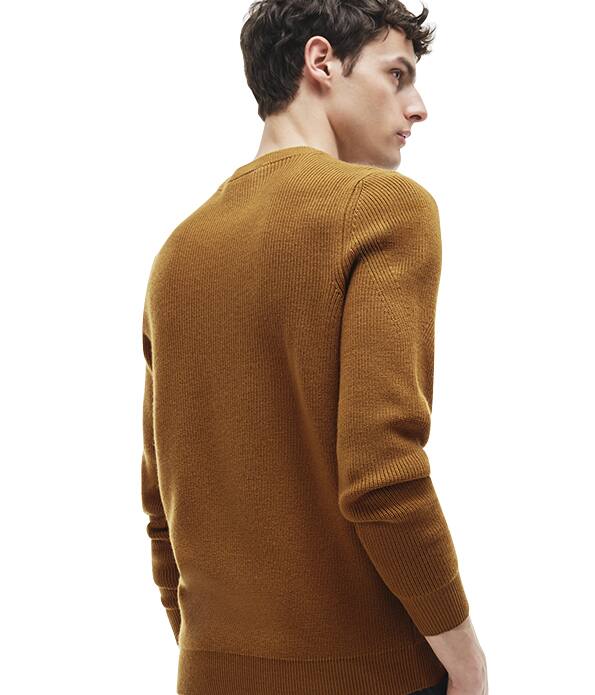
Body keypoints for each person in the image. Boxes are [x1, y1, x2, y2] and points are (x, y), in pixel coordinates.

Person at [140, 2, 488, 694]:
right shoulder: (385, 208)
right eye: (397, 75)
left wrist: (212, 652)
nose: (417, 108)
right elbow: (383, 475)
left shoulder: (177, 253)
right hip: (375, 678)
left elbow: (160, 508)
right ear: (322, 61)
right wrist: (466, 660)